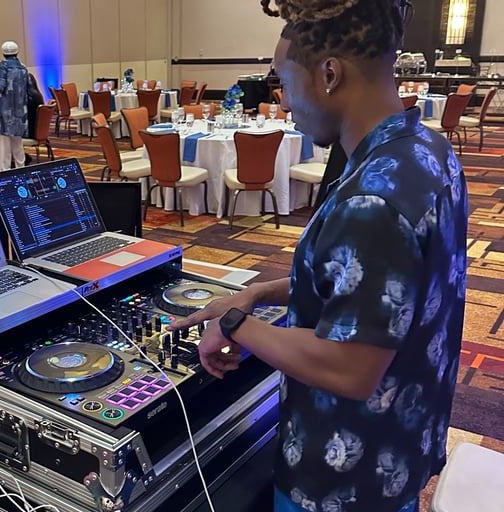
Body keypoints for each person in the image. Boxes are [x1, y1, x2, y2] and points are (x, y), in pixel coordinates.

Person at [169, 1, 468, 512]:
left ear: (329, 74)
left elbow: (350, 367)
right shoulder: (427, 150)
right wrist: (260, 292)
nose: (285, 102)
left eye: (284, 82)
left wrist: (236, 324)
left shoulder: (373, 200)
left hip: (343, 480)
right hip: (402, 445)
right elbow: (376, 288)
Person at [0, 40, 30, 171]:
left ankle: (4, 170)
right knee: (17, 143)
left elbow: (0, 86)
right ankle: (21, 168)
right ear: (17, 52)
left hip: (5, 110)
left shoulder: (3, 66)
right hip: (20, 111)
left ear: (3, 53)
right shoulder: (23, 68)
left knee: (4, 144)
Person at [24, 73, 45, 165]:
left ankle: (20, 157)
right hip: (40, 131)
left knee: (8, 135)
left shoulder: (28, 98)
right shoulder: (38, 95)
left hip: (30, 132)